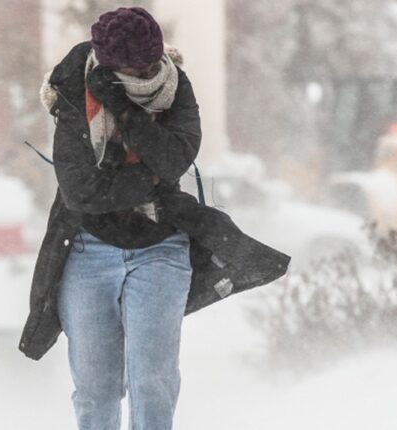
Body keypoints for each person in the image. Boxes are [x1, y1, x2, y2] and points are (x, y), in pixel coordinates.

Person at [18, 6, 291, 430]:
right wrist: (153, 181)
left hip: (161, 250)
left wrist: (124, 112)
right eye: (134, 68)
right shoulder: (74, 88)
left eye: (150, 63)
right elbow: (81, 191)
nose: (146, 75)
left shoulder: (175, 87)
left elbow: (175, 157)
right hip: (88, 250)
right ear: (108, 65)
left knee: (152, 383)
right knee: (95, 390)